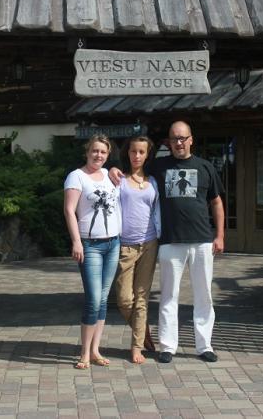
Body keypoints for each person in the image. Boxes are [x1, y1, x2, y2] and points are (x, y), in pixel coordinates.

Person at [110, 121, 224, 363]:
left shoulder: (205, 167)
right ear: (169, 142)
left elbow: (216, 202)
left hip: (202, 241)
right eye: (174, 138)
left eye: (182, 138)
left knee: (203, 295)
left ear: (191, 139)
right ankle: (168, 346)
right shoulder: (159, 166)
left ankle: (205, 346)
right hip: (170, 241)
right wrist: (113, 170)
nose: (179, 142)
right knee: (169, 296)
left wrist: (220, 235)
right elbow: (134, 167)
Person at [64, 135, 121, 369]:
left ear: (108, 155)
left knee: (104, 298)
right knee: (94, 298)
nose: (99, 155)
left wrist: (114, 169)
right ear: (87, 152)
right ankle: (84, 353)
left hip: (113, 243)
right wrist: (76, 241)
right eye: (95, 151)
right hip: (90, 245)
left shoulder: (109, 174)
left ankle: (96, 350)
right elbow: (69, 210)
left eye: (103, 152)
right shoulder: (76, 176)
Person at [115, 136, 161, 364]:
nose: (137, 156)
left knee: (142, 297)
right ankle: (143, 332)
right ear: (128, 153)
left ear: (147, 155)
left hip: (149, 244)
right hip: (125, 246)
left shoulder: (153, 182)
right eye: (134, 151)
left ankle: (136, 347)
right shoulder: (118, 180)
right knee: (124, 299)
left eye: (142, 152)